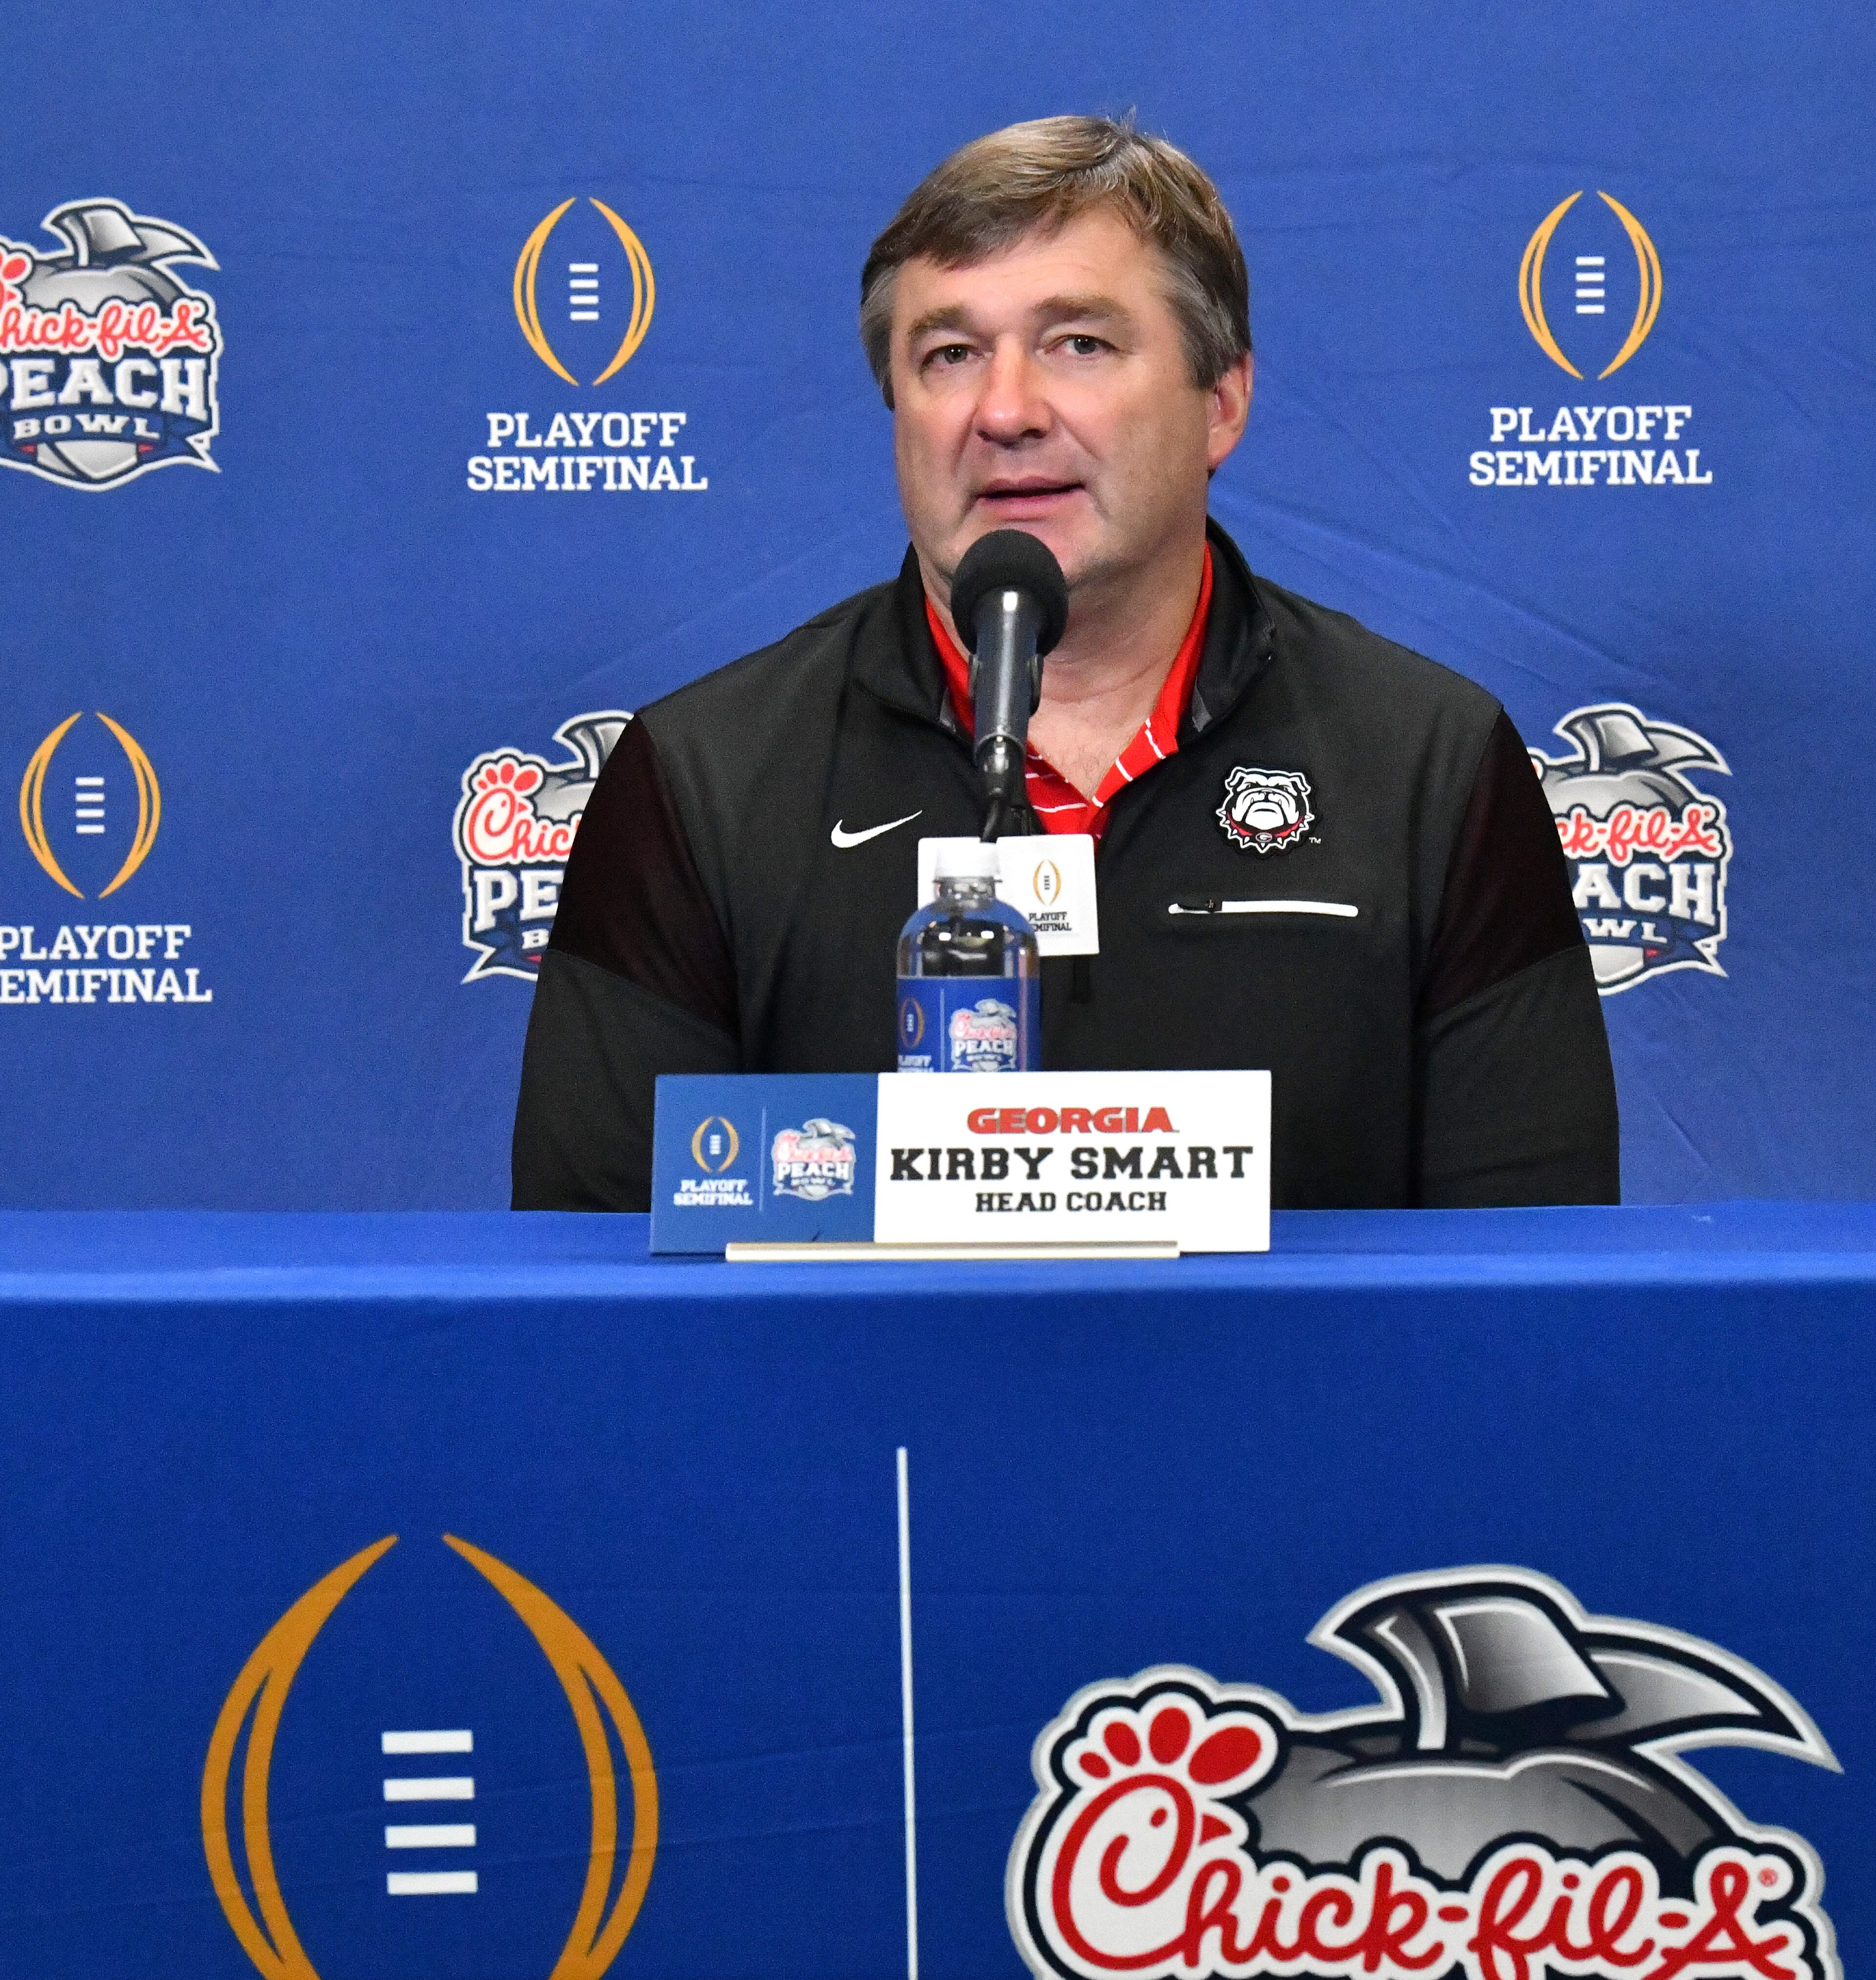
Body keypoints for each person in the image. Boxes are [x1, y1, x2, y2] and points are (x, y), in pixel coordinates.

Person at [513, 116, 1618, 1211]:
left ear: (1221, 400)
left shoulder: (1430, 767)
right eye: (949, 355)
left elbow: (1531, 1294)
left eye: (1078, 343)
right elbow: (593, 1304)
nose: (1005, 411)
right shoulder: (702, 780)